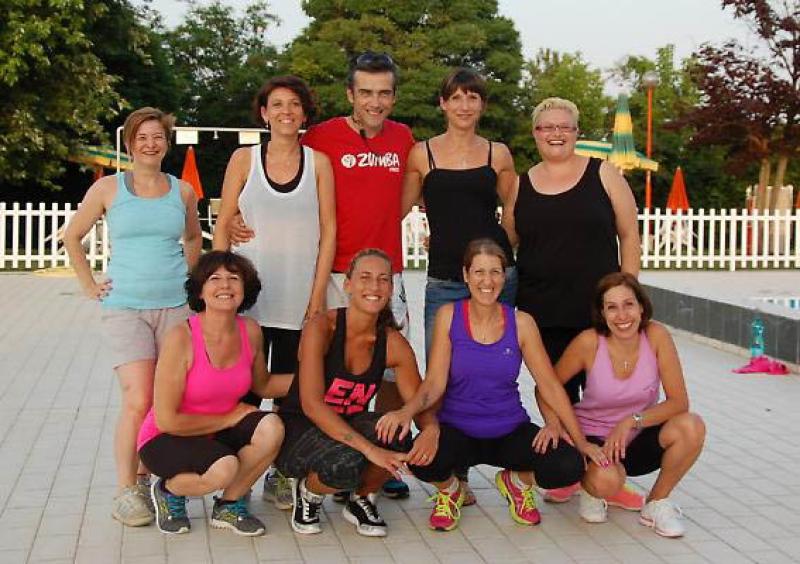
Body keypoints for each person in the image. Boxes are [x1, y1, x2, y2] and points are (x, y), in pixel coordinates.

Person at [230, 53, 416, 500]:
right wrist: (237, 213)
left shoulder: (405, 138)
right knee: (320, 375)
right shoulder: (320, 138)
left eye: (384, 92)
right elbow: (278, 170)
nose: (375, 101)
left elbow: (414, 192)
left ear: (393, 96)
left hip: (385, 274)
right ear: (350, 94)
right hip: (331, 273)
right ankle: (291, 459)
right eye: (366, 92)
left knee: (383, 371)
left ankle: (377, 455)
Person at [376, 239, 607, 532]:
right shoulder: (449, 316)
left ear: (504, 276)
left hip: (508, 428)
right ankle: (449, 491)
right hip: (458, 428)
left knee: (568, 465)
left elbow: (548, 384)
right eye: (479, 272)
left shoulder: (521, 323)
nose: (487, 281)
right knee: (420, 457)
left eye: (495, 272)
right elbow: (434, 383)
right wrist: (406, 413)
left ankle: (516, 483)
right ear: (466, 275)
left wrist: (580, 439)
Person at [64, 107, 202, 527]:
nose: (150, 143)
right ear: (130, 142)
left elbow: (194, 236)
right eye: (142, 136)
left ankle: (146, 479)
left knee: (165, 401)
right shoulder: (108, 189)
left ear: (167, 142)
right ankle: (126, 490)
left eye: (158, 136)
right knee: (138, 398)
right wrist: (89, 285)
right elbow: (72, 236)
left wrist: (191, 283)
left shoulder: (181, 192)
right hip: (125, 307)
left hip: (174, 308)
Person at [503, 97, 643, 508]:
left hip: (598, 312)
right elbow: (506, 241)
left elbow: (629, 236)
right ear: (535, 134)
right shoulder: (522, 184)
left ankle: (609, 478)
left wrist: (628, 297)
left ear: (577, 131)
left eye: (564, 126)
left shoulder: (604, 174)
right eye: (547, 127)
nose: (556, 133)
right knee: (557, 394)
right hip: (542, 310)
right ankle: (573, 470)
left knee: (604, 395)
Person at [213, 75, 335, 509]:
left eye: (295, 105)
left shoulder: (318, 163)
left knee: (291, 395)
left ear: (305, 114)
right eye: (277, 104)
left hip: (298, 300)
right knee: (243, 393)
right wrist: (216, 292)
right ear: (264, 113)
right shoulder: (244, 159)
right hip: (250, 303)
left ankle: (282, 474)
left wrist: (317, 296)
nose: (286, 111)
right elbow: (223, 225)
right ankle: (238, 479)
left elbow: (329, 231)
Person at [400, 67, 517, 505]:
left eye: (473, 96)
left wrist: (502, 261)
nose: (465, 105)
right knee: (442, 377)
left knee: (493, 372)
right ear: (443, 104)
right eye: (456, 97)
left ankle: (511, 459)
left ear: (481, 104)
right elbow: (394, 209)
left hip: (494, 282)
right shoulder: (421, 154)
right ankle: (452, 474)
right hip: (446, 279)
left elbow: (516, 214)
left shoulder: (498, 154)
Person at [276, 249, 439, 537]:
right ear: (348, 284)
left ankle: (361, 498)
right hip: (301, 428)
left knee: (399, 437)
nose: (374, 287)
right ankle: (308, 493)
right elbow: (312, 405)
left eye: (383, 279)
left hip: (347, 425)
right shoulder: (322, 327)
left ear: (391, 288)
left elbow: (416, 398)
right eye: (365, 277)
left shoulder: (392, 343)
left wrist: (430, 429)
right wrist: (370, 450)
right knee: (347, 463)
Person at [535, 272, 705, 537]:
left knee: (692, 426)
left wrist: (631, 421)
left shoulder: (657, 335)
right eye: (611, 307)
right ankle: (590, 485)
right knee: (607, 481)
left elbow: (679, 402)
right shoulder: (589, 342)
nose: (622, 316)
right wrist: (556, 426)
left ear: (641, 306)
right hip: (594, 440)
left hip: (635, 436)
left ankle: (656, 504)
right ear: (602, 313)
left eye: (628, 304)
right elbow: (546, 388)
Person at [137, 251, 287, 536]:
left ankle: (229, 506)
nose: (226, 286)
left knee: (272, 427)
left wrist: (319, 378)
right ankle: (169, 491)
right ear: (200, 290)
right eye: (214, 278)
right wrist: (229, 419)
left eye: (234, 278)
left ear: (246, 288)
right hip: (166, 437)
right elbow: (168, 420)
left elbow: (263, 385)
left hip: (215, 433)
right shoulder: (181, 337)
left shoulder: (251, 330)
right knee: (224, 468)